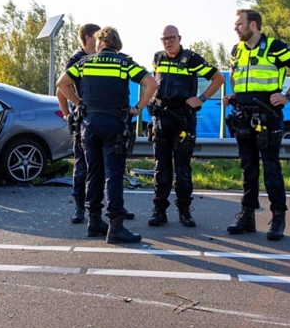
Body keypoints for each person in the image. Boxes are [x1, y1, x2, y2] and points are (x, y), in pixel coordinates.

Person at [57, 26, 158, 244]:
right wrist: (137, 108)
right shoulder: (124, 63)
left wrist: (79, 103)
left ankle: (94, 222)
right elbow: (152, 83)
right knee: (113, 175)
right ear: (116, 44)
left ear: (100, 43)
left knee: (93, 174)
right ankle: (116, 227)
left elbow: (61, 84)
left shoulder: (84, 63)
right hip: (114, 125)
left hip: (89, 125)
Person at [224, 9, 290, 240]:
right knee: (247, 168)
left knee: (272, 169)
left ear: (253, 25)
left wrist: (287, 96)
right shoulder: (236, 50)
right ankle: (247, 216)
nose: (236, 28)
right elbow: (235, 76)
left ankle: (278, 218)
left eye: (239, 24)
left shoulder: (275, 47)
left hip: (268, 115)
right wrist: (236, 94)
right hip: (243, 114)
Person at [146, 25, 225, 228]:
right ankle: (159, 211)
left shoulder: (192, 59)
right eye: (164, 39)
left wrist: (202, 98)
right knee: (161, 168)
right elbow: (156, 84)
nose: (168, 42)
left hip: (183, 120)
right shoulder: (158, 58)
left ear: (179, 38)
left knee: (182, 170)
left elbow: (219, 78)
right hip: (162, 120)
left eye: (171, 38)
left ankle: (184, 212)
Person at [57, 24, 100, 224]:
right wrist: (71, 113)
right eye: (99, 36)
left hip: (101, 118)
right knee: (82, 166)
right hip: (84, 120)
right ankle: (80, 206)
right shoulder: (75, 61)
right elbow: (61, 90)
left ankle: (106, 208)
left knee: (106, 167)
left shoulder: (101, 58)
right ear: (89, 37)